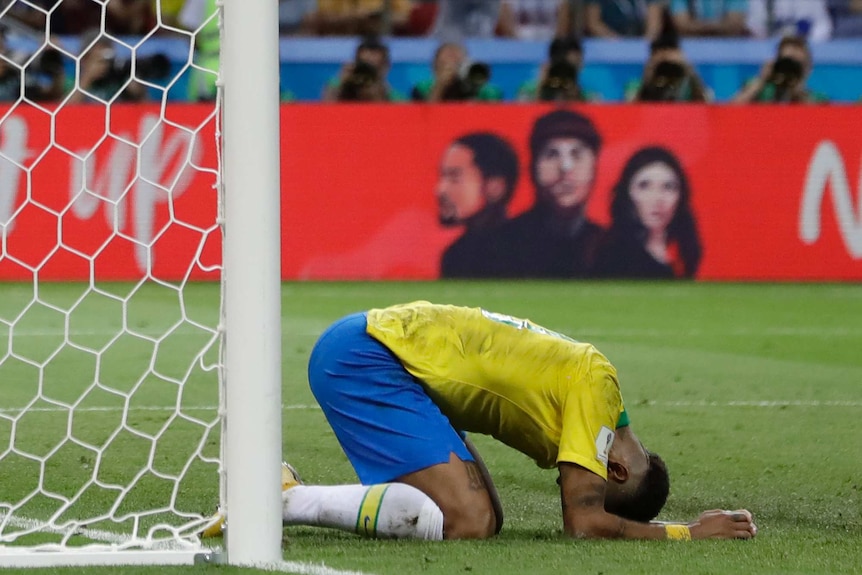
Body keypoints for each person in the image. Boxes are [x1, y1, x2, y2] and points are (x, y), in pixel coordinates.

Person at [202, 302, 758, 541]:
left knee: (483, 520)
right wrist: (688, 532)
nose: (573, 482)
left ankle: (289, 495)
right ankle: (284, 497)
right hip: (369, 357)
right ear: (613, 471)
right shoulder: (596, 390)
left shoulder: (599, 397)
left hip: (384, 355)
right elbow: (584, 524)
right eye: (587, 481)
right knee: (467, 520)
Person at [496, 109, 605, 278]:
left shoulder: (614, 249)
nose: (565, 167)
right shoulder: (497, 247)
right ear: (532, 167)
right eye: (551, 154)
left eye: (577, 154)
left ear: (595, 167)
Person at [594, 147, 702, 279]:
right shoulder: (612, 258)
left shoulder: (683, 254)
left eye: (668, 187)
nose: (657, 199)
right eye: (644, 186)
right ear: (628, 193)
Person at [436, 132, 520, 278]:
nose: (440, 190)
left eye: (454, 177)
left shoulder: (524, 251)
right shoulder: (456, 255)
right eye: (443, 177)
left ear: (495, 187)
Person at [627, 8, 713, 102]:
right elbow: (633, 111)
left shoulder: (688, 87)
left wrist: (689, 70)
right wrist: (649, 74)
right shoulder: (634, 86)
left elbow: (706, 109)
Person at [732, 35, 828, 103]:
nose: (790, 70)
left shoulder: (818, 98)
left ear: (808, 69)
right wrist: (762, 80)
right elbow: (731, 112)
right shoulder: (757, 89)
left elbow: (823, 123)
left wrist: (799, 95)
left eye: (797, 64)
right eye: (787, 63)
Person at [411, 42, 503, 102]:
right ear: (435, 67)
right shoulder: (422, 88)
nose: (454, 59)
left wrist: (474, 88)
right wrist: (440, 86)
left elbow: (494, 116)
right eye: (448, 55)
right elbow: (423, 118)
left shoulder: (488, 91)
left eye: (457, 56)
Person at [517, 35, 599, 102]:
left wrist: (576, 98)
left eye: (577, 64)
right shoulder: (528, 91)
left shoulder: (589, 96)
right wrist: (542, 88)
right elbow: (522, 117)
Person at [322, 37, 405, 102]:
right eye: (364, 66)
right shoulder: (338, 86)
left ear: (386, 67)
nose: (367, 73)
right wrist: (341, 80)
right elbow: (326, 109)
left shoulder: (394, 96)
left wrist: (383, 90)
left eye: (374, 67)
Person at [746, 0, 833, 42]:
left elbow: (823, 24)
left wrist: (807, 44)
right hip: (770, 50)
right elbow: (754, 25)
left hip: (805, 47)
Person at [584, 0, 664, 38]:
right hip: (608, 43)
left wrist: (644, 44)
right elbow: (593, 23)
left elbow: (654, 26)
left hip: (641, 41)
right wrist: (617, 41)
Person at [670, 0, 750, 36]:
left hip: (728, 46)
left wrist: (697, 26)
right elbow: (682, 25)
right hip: (690, 46)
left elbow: (734, 25)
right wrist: (718, 26)